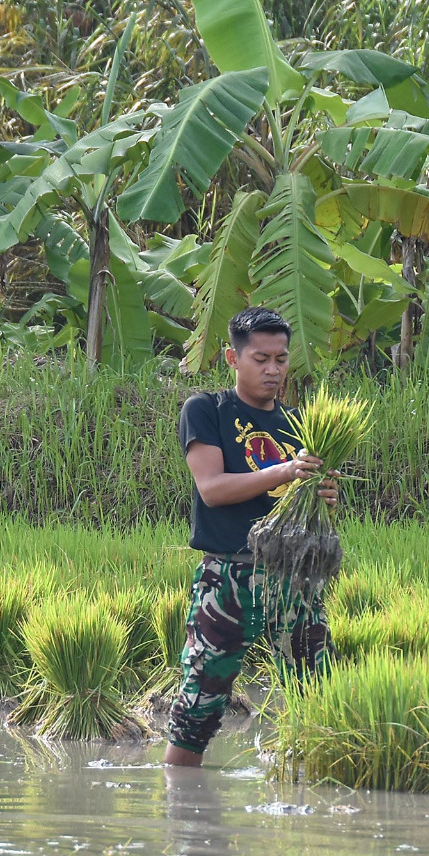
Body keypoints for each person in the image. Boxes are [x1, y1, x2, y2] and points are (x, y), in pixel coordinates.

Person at [165, 307, 335, 769]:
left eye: (281, 359)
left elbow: (304, 498)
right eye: (261, 358)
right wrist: (283, 470)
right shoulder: (207, 411)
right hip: (228, 579)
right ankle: (180, 806)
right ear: (232, 358)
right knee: (199, 704)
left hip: (293, 579)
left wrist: (322, 493)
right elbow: (212, 489)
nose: (274, 370)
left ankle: (311, 797)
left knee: (318, 694)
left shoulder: (303, 424)